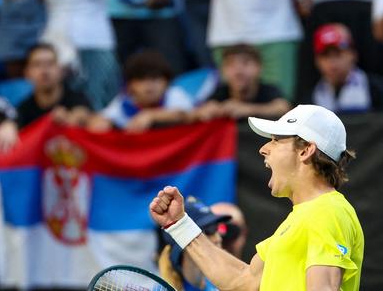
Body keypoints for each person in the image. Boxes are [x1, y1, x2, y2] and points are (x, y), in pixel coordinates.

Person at [150, 104, 364, 290]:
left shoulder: (326, 212)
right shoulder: (303, 218)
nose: (263, 149)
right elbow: (243, 280)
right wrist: (179, 225)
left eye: (276, 140)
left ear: (305, 150)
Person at [88, 50, 194, 132]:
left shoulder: (174, 94)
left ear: (167, 82)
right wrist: (102, 123)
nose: (149, 85)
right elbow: (99, 121)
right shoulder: (123, 103)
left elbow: (190, 115)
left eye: (155, 78)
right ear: (130, 86)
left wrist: (151, 116)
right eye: (141, 79)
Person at [193, 45, 290, 121]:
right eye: (231, 64)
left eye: (246, 63)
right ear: (223, 70)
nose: (238, 71)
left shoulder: (268, 89)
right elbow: (200, 111)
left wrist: (247, 109)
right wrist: (206, 112)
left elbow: (283, 108)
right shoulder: (220, 91)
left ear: (259, 67)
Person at [158, 197, 231, 291]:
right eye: (209, 231)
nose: (218, 238)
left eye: (217, 228)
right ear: (183, 243)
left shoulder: (222, 286)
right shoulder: (159, 288)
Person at [312, 23, 383, 113]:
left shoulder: (376, 90)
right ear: (317, 61)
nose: (332, 62)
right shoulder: (311, 99)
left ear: (353, 54)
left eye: (337, 54)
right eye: (325, 55)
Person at [16, 43, 92, 129]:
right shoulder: (23, 110)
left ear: (61, 70)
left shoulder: (78, 99)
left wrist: (70, 119)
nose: (44, 71)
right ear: (27, 73)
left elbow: (83, 114)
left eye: (50, 63)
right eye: (37, 64)